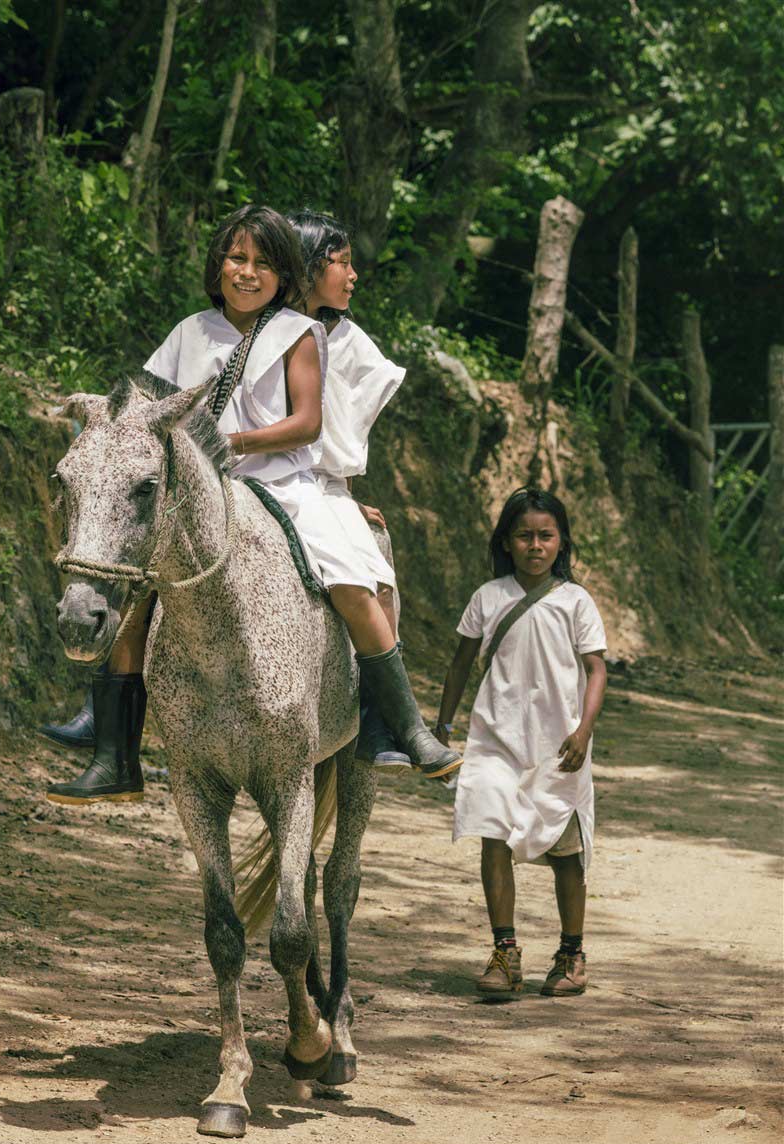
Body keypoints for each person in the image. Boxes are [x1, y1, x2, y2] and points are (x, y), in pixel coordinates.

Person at [46, 204, 460, 804]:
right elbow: (142, 407)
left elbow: (307, 424)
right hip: (201, 489)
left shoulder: (296, 333)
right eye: (236, 259)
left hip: (284, 484)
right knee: (135, 587)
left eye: (263, 263)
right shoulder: (188, 332)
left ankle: (403, 724)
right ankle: (115, 747)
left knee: (349, 577)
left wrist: (228, 443)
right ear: (217, 265)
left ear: (283, 273)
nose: (247, 272)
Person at [434, 487, 607, 997]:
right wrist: (442, 729)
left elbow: (596, 670)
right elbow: (461, 663)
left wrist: (583, 731)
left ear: (561, 543)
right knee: (493, 835)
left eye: (545, 536)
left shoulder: (576, 601)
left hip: (561, 744)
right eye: (525, 535)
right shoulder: (488, 598)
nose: (535, 545)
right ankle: (505, 953)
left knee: (567, 853)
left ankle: (571, 955)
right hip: (495, 737)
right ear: (507, 543)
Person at [286, 207, 410, 771]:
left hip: (320, 486)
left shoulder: (350, 342)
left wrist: (344, 492)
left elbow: (345, 429)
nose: (353, 275)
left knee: (374, 573)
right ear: (309, 267)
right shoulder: (256, 327)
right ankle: (116, 712)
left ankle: (381, 716)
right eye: (343, 263)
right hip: (244, 475)